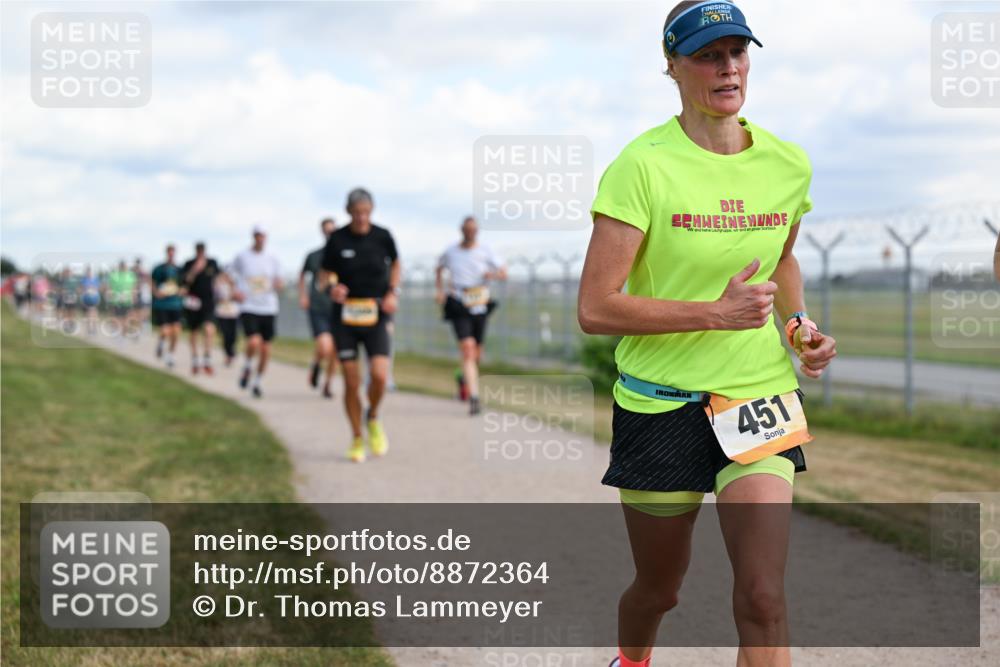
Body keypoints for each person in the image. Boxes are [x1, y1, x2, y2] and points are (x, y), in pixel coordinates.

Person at [576, 3, 837, 666]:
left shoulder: (787, 163)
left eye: (737, 52)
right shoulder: (641, 166)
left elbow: (781, 258)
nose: (728, 68)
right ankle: (632, 659)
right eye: (707, 55)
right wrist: (714, 314)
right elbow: (596, 307)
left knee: (763, 597)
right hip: (661, 404)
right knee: (658, 590)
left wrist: (799, 326)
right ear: (672, 66)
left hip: (757, 395)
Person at [320, 188, 400, 463]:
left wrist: (393, 292)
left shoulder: (383, 236)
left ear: (372, 210)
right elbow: (324, 274)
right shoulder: (337, 239)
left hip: (376, 313)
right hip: (345, 317)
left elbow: (396, 264)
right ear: (348, 211)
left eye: (366, 212)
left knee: (379, 375)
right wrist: (331, 288)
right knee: (351, 382)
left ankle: (373, 416)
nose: (361, 218)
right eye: (356, 213)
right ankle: (356, 437)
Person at [435, 215, 507, 415]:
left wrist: (492, 274)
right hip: (459, 302)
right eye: (467, 230)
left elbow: (504, 273)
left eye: (473, 230)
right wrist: (440, 291)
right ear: (462, 230)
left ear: (477, 231)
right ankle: (474, 398)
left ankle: (463, 377)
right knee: (467, 349)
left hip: (480, 304)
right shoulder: (451, 251)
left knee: (477, 354)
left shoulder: (486, 251)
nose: (470, 233)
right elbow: (438, 268)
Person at [230, 225, 283, 398]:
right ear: (253, 237)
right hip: (249, 306)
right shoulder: (242, 256)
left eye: (263, 236)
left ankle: (257, 381)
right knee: (253, 341)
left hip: (268, 307)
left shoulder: (273, 257)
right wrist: (234, 291)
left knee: (266, 349)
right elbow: (228, 274)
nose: (260, 239)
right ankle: (247, 366)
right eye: (257, 235)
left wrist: (278, 285)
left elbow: (279, 281)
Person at [298, 217, 339, 398]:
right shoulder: (314, 256)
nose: (330, 234)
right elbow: (302, 275)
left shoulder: (343, 254)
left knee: (336, 350)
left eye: (333, 230)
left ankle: (328, 384)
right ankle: (316, 362)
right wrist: (303, 295)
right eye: (327, 231)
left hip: (338, 308)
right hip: (318, 306)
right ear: (322, 232)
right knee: (325, 346)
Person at [181, 242, 221, 375]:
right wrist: (195, 270)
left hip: (208, 301)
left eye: (202, 251)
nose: (200, 253)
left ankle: (207, 359)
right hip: (193, 301)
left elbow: (219, 278)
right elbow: (185, 281)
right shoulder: (189, 263)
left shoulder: (212, 263)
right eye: (198, 251)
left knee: (209, 329)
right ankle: (195, 360)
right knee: (194, 331)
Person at [151, 245, 184, 368]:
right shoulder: (159, 268)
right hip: (162, 304)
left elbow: (184, 284)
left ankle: (171, 354)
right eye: (169, 253)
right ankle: (161, 343)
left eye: (173, 253)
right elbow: (152, 282)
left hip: (175, 304)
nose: (171, 255)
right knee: (165, 331)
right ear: (166, 253)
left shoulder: (179, 269)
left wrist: (182, 291)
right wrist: (156, 293)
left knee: (176, 331)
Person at [214, 270, 240, 367]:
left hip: (233, 313)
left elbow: (237, 297)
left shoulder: (235, 285)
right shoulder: (218, 284)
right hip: (222, 313)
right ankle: (228, 354)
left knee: (233, 335)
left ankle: (231, 352)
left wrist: (232, 286)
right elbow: (216, 296)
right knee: (225, 334)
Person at [106, 259, 137, 340]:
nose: (123, 268)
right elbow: (109, 288)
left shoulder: (129, 275)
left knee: (123, 318)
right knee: (121, 318)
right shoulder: (117, 276)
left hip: (124, 300)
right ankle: (121, 334)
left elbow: (134, 288)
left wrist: (134, 297)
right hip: (119, 300)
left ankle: (122, 335)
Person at [79, 266, 102, 335]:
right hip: (86, 298)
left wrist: (93, 289)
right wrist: (83, 293)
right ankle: (89, 328)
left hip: (94, 297)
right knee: (87, 313)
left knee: (94, 312)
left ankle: (94, 327)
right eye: (87, 272)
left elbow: (99, 288)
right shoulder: (83, 279)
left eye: (90, 272)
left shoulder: (96, 279)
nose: (89, 273)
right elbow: (81, 288)